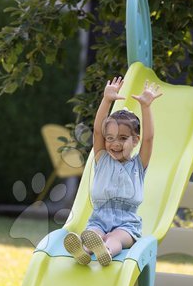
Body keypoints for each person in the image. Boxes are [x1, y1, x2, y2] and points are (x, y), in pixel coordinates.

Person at [64, 76, 162, 266]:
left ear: (135, 140)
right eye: (110, 138)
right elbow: (98, 131)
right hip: (99, 219)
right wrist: (107, 99)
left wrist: (146, 106)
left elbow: (149, 139)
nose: (115, 144)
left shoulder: (138, 165)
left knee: (115, 238)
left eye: (123, 138)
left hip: (127, 224)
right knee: (93, 234)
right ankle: (83, 251)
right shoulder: (102, 159)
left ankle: (106, 251)